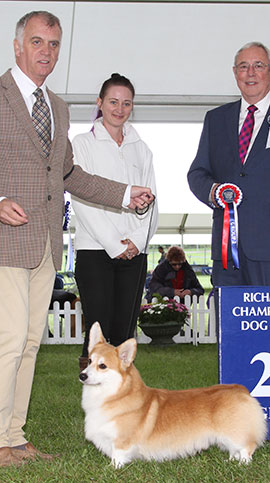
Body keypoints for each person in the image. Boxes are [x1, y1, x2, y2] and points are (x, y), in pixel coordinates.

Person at [0, 11, 154, 467]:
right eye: (37, 42)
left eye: (54, 44)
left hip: (45, 243)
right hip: (7, 241)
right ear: (17, 46)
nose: (46, 51)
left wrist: (126, 193)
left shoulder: (59, 106)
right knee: (8, 343)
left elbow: (69, 174)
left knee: (30, 344)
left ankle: (14, 436)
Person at [188, 41, 270, 288]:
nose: (250, 73)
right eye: (243, 66)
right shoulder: (216, 119)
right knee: (229, 325)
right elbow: (198, 172)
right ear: (234, 73)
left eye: (258, 65)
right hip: (226, 253)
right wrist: (215, 192)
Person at [71, 73, 158, 370]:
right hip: (94, 250)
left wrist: (136, 240)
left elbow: (151, 198)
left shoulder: (141, 148)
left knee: (124, 335)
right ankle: (91, 398)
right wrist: (112, 243)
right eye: (113, 102)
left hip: (135, 253)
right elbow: (81, 198)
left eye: (126, 103)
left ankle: (123, 402)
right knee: (97, 332)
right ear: (99, 103)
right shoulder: (81, 144)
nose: (119, 109)